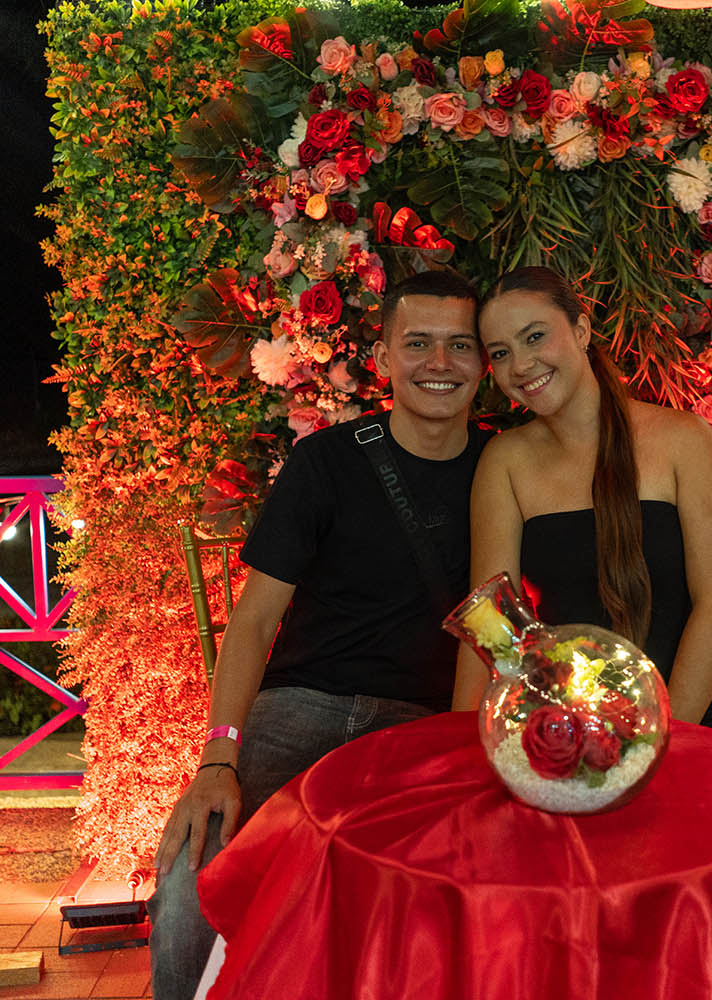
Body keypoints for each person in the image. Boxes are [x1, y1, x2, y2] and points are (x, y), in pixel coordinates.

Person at [148, 270, 491, 1000]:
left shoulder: (506, 467)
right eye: (418, 343)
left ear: (484, 361)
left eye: (460, 344)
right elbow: (254, 620)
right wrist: (218, 759)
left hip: (423, 727)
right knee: (189, 876)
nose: (440, 363)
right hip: (299, 709)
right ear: (384, 358)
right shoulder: (327, 461)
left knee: (425, 897)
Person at [451, 266, 712, 749]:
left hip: (697, 717)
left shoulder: (683, 439)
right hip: (575, 730)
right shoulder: (505, 461)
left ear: (581, 330)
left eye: (535, 337)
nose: (521, 365)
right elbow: (492, 621)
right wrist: (463, 746)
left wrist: (656, 746)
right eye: (500, 353)